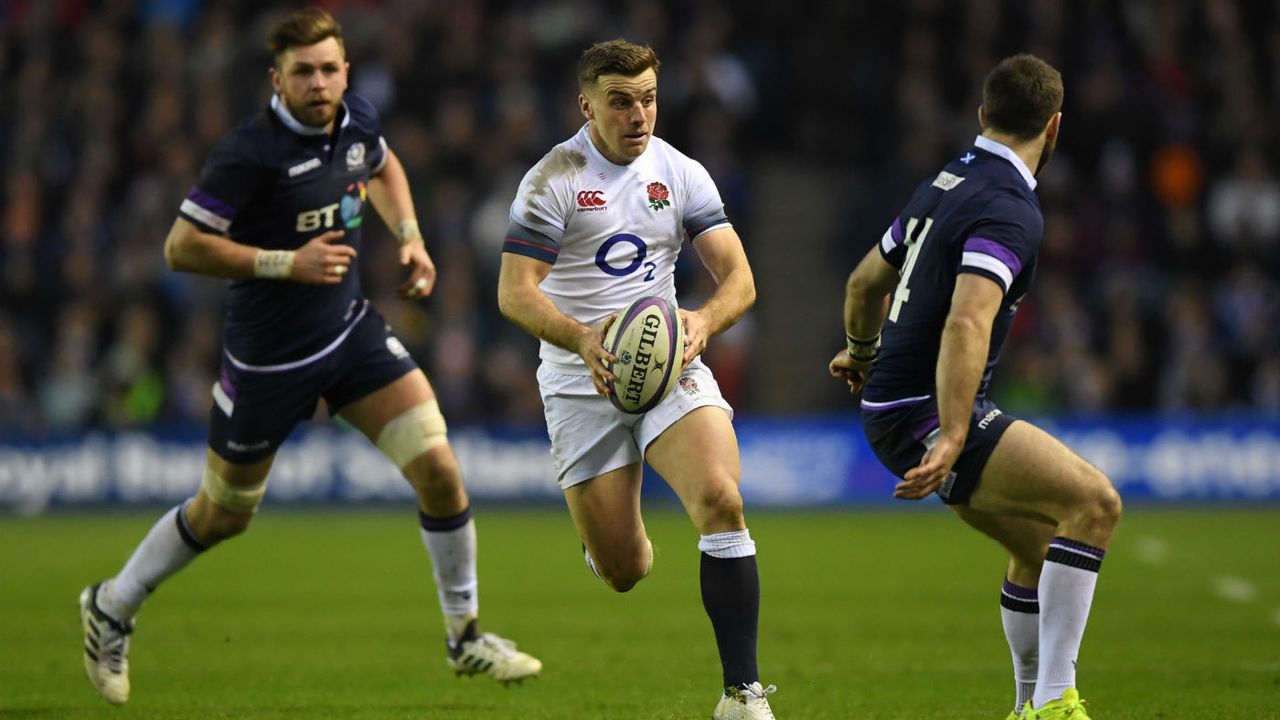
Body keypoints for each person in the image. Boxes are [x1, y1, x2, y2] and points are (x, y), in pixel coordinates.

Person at [78, 8, 541, 705]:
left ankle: (465, 634)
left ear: (345, 71)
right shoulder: (248, 153)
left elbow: (383, 167)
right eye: (304, 72)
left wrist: (410, 238)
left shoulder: (355, 118)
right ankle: (111, 606)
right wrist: (282, 262)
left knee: (441, 470)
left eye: (329, 69)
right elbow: (181, 246)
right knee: (224, 514)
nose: (319, 83)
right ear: (277, 79)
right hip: (267, 360)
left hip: (349, 334)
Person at [829, 54, 1121, 720]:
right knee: (1096, 506)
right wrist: (955, 431)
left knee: (1038, 544)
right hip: (930, 415)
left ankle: (1027, 706)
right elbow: (967, 319)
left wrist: (861, 351)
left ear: (984, 114)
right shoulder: (1010, 208)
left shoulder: (945, 182)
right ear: (1055, 127)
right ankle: (1054, 704)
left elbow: (861, 284)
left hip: (898, 407)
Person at [497, 39, 776, 720]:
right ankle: (605, 544)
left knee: (721, 500)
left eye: (648, 97)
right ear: (586, 105)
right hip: (576, 376)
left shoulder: (680, 173)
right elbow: (514, 292)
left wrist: (704, 324)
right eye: (620, 101)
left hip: (667, 366)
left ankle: (742, 695)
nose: (638, 114)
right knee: (626, 571)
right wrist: (580, 337)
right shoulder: (554, 178)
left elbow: (740, 279)